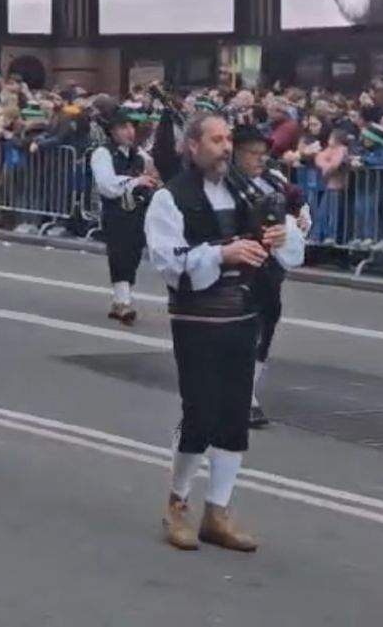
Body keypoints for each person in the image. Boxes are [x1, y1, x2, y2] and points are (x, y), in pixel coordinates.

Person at [145, 112, 302, 553]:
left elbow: (290, 250)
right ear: (192, 146)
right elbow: (168, 262)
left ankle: (218, 510)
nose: (225, 147)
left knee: (234, 414)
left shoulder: (247, 190)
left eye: (228, 139)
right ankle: (177, 503)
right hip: (198, 317)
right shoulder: (171, 198)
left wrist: (277, 235)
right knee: (200, 411)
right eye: (215, 139)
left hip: (244, 312)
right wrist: (223, 253)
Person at [232, 125, 310, 430]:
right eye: (253, 152)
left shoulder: (272, 179)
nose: (260, 159)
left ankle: (248, 390)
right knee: (239, 326)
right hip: (238, 260)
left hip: (270, 263)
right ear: (236, 153)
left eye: (263, 152)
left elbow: (295, 200)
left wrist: (302, 215)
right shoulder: (224, 183)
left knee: (268, 319)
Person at [91, 106, 159, 326]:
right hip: (115, 210)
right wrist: (135, 182)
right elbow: (106, 185)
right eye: (123, 127)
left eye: (131, 126)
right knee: (119, 252)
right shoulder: (102, 153)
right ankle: (123, 302)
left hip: (138, 210)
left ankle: (122, 298)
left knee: (133, 253)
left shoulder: (138, 154)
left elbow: (153, 170)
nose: (129, 131)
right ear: (112, 131)